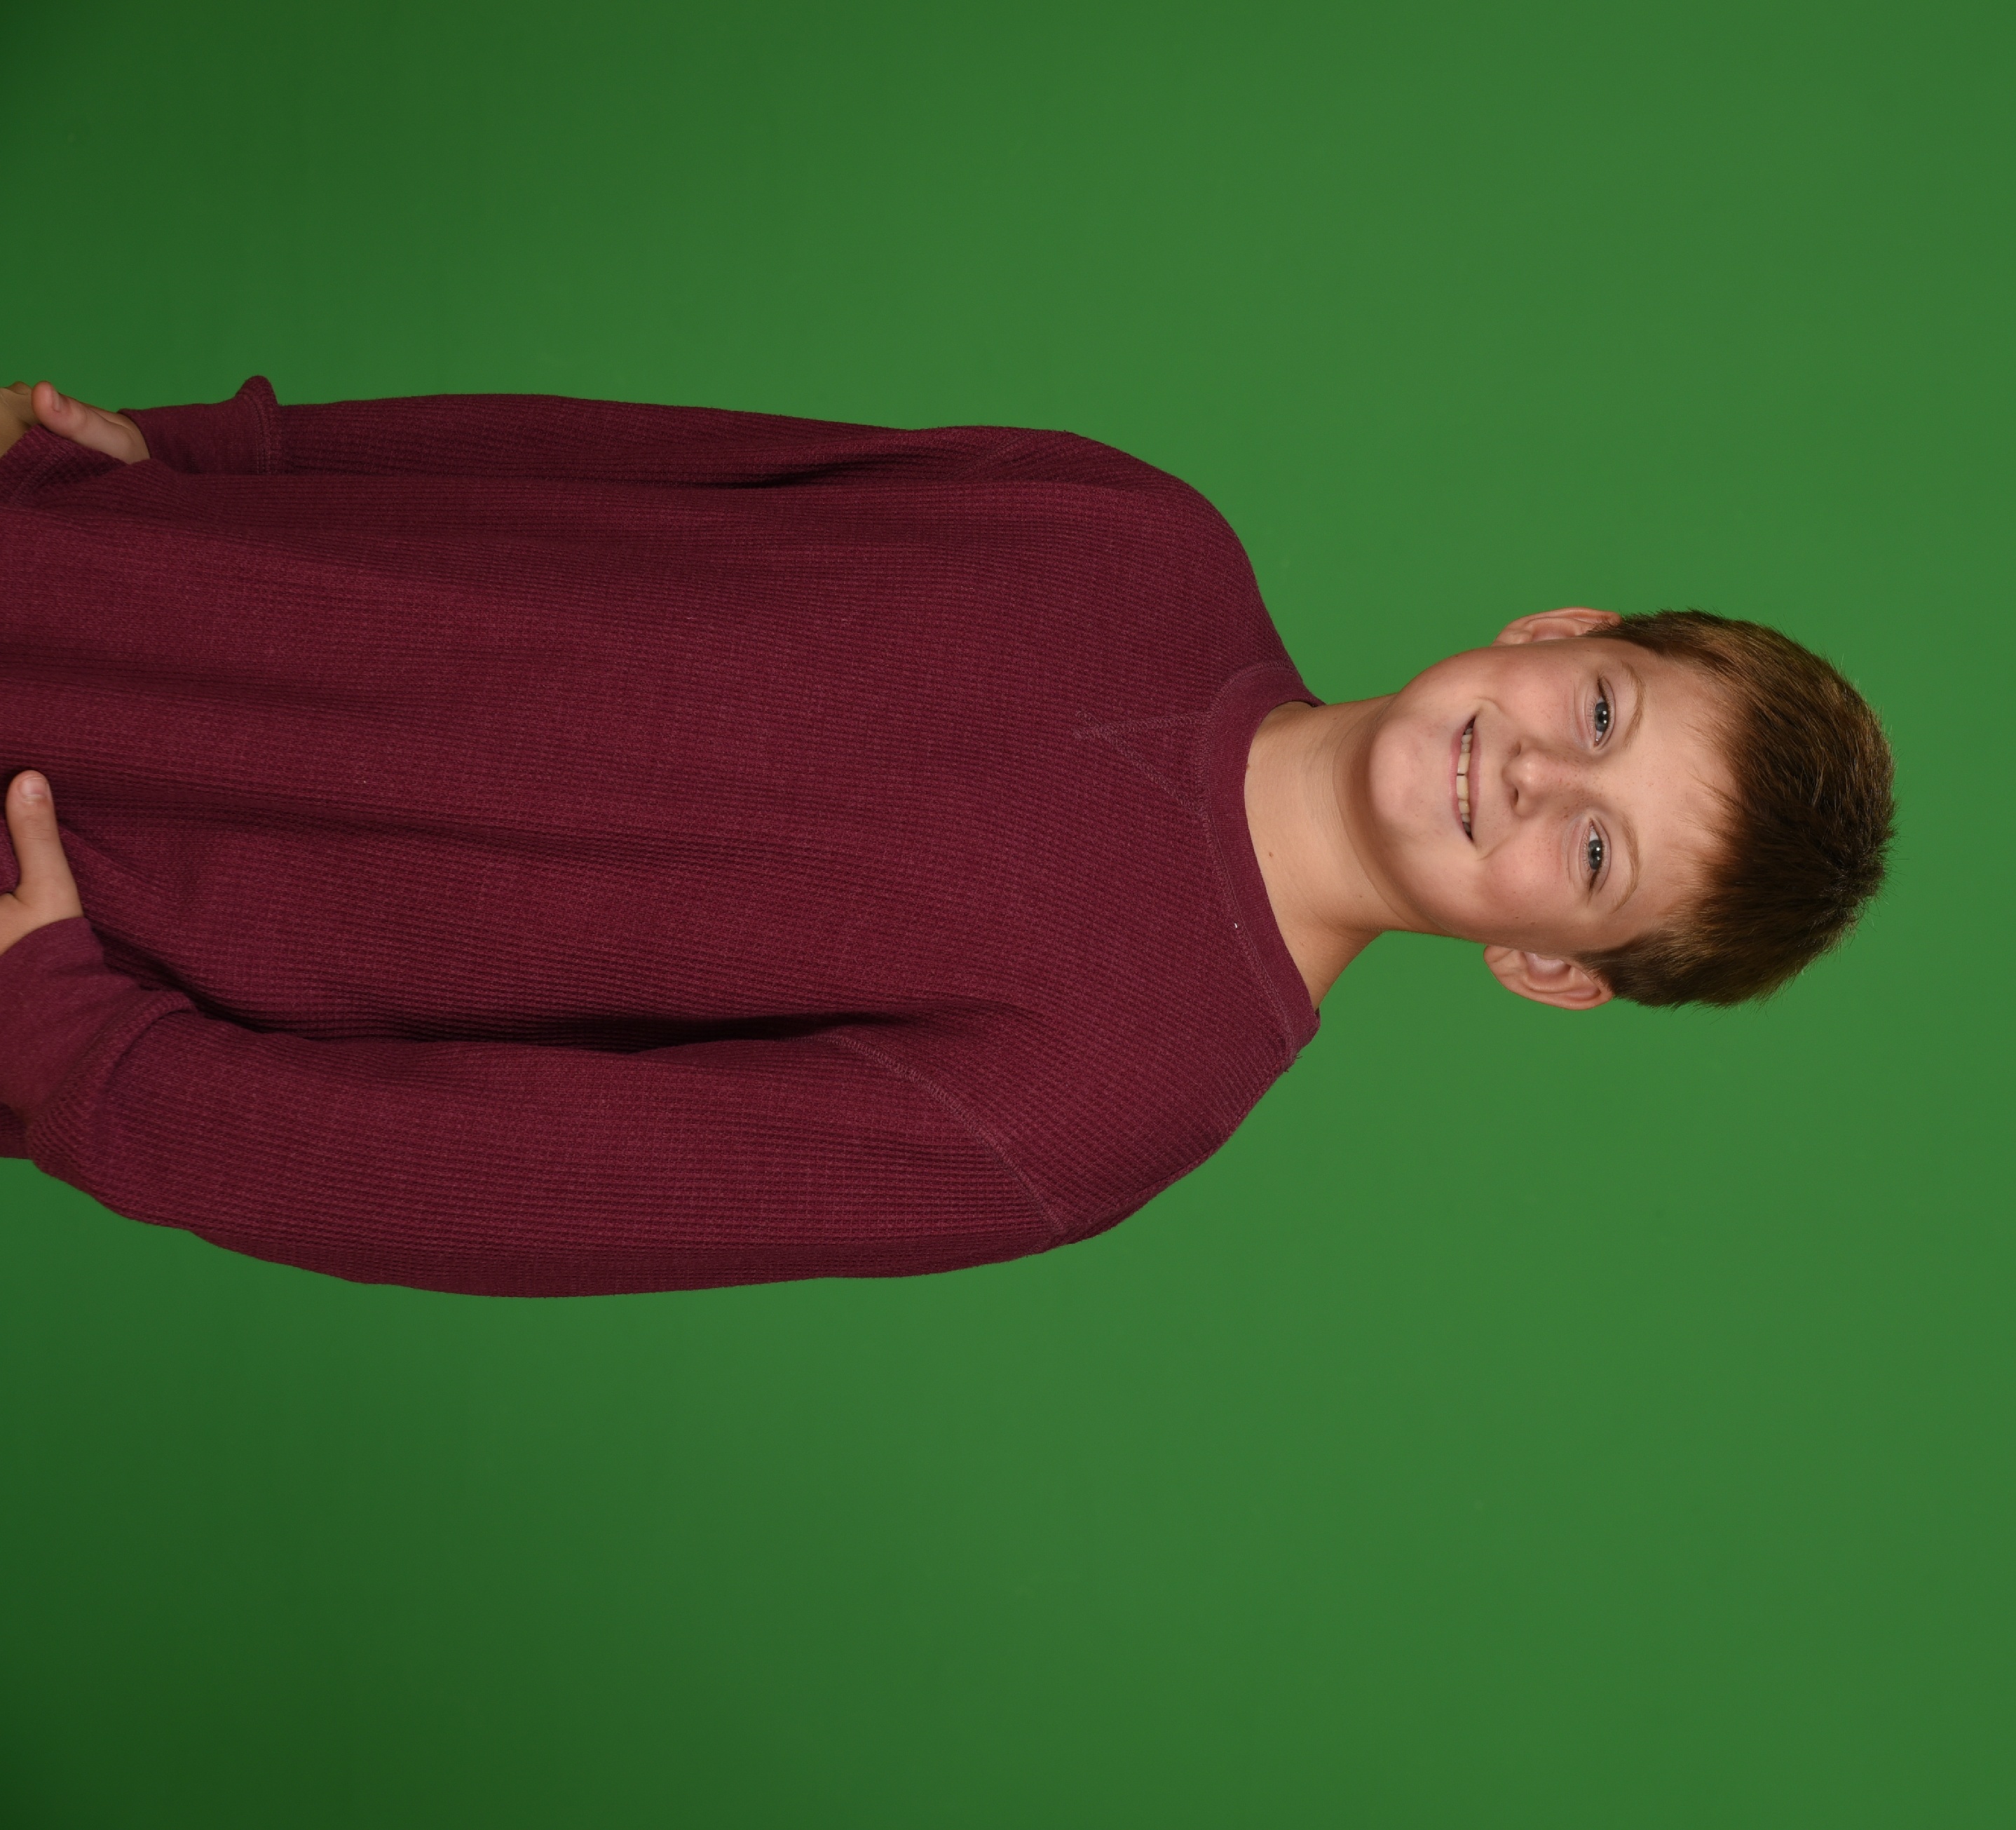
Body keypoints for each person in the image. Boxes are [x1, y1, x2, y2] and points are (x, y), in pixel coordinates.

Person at [0, 377, 1893, 1297]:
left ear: (1547, 967)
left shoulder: (1101, 1108)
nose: (1542, 777)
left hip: (86, 904)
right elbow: (649, 466)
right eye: (1602, 715)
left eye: (1593, 858)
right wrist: (226, 458)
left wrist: (89, 1058)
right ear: (1561, 632)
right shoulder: (1143, 539)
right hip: (110, 575)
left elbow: (520, 1183)